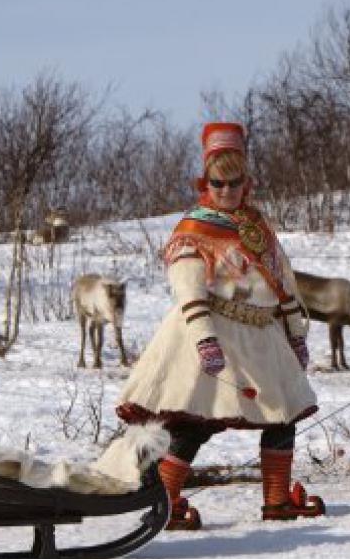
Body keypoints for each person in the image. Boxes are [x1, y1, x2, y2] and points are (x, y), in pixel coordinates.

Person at [116, 122, 324, 530]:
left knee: (282, 416)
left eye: (234, 183)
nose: (226, 191)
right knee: (195, 422)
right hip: (214, 334)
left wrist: (295, 335)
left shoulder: (256, 227)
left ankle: (277, 501)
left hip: (263, 337)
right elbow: (188, 289)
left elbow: (283, 283)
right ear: (205, 182)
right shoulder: (195, 230)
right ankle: (167, 501)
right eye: (218, 183)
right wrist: (205, 342)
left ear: (247, 183)